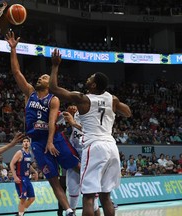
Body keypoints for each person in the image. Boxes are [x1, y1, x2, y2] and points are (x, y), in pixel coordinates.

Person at [49, 49, 131, 216]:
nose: (87, 78)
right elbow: (128, 112)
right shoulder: (112, 98)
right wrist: (114, 105)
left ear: (93, 85)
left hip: (94, 147)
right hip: (111, 146)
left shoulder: (83, 99)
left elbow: (54, 89)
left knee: (88, 197)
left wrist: (55, 66)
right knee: (105, 196)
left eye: (90, 78)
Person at [5, 31, 80, 216]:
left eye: (44, 77)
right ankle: (69, 211)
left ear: (50, 83)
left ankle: (97, 192)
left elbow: (53, 121)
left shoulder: (53, 99)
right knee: (53, 180)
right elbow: (16, 72)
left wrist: (50, 141)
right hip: (37, 143)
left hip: (54, 138)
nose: (40, 78)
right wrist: (13, 49)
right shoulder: (29, 93)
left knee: (78, 167)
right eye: (40, 77)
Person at [10, 136, 38, 216]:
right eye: (24, 141)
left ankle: (20, 213)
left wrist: (35, 171)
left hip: (27, 178)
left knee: (32, 198)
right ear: (22, 143)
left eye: (27, 141)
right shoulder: (20, 152)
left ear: (29, 143)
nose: (26, 143)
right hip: (20, 177)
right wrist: (15, 177)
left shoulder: (29, 153)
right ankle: (20, 213)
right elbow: (12, 164)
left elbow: (28, 165)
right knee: (23, 199)